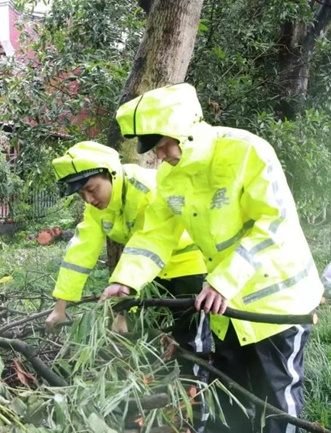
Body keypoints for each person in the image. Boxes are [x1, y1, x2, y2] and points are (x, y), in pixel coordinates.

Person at [101, 83, 324, 433]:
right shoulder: (171, 176)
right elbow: (156, 234)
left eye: (162, 145)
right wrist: (125, 279)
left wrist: (222, 281)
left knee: (276, 404)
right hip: (225, 308)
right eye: (155, 149)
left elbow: (273, 222)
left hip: (276, 306)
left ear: (184, 131)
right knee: (227, 400)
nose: (161, 155)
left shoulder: (246, 151)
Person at [46, 142, 212, 428]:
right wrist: (61, 306)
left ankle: (196, 417)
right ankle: (156, 412)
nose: (89, 199)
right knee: (150, 344)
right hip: (142, 277)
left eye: (92, 188)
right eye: (82, 194)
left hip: (187, 270)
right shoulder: (98, 208)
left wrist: (121, 311)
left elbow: (145, 242)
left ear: (111, 173)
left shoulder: (145, 189)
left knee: (190, 346)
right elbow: (80, 252)